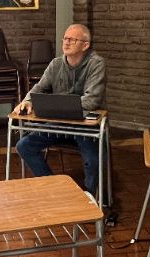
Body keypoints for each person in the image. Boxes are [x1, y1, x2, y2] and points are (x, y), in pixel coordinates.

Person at [13, 23, 106, 196]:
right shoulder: (55, 64)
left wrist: (58, 104)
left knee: (93, 159)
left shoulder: (96, 64)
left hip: (85, 126)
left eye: (72, 39)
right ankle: (55, 188)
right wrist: (27, 101)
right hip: (58, 123)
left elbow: (92, 100)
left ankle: (89, 197)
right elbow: (38, 89)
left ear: (85, 45)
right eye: (65, 38)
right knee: (24, 146)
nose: (66, 42)